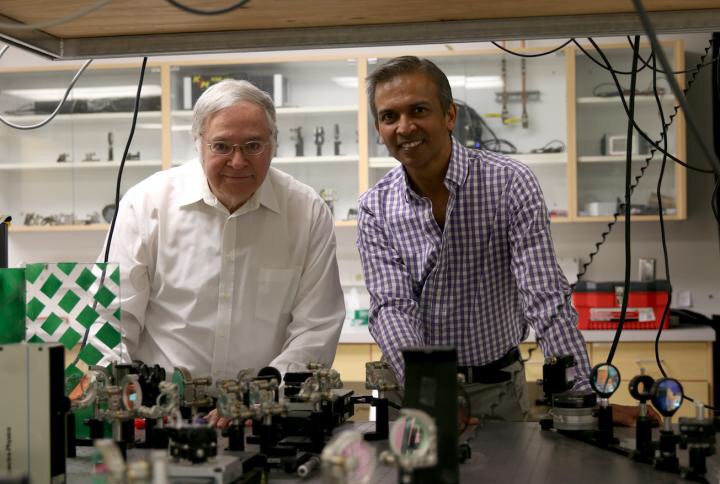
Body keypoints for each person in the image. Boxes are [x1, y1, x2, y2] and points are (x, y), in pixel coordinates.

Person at [356, 56, 592, 422]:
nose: (404, 127)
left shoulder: (510, 183)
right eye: (390, 117)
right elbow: (392, 307)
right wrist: (433, 394)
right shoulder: (374, 207)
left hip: (496, 389)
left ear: (449, 116)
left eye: (418, 110)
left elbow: (543, 293)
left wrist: (582, 394)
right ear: (379, 127)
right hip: (413, 391)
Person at [108, 79, 345, 398]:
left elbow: (316, 328)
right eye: (221, 146)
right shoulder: (146, 204)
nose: (238, 161)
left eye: (253, 145)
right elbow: (111, 319)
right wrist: (130, 393)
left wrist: (263, 391)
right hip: (160, 410)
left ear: (273, 143)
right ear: (198, 143)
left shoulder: (306, 212)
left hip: (264, 412)